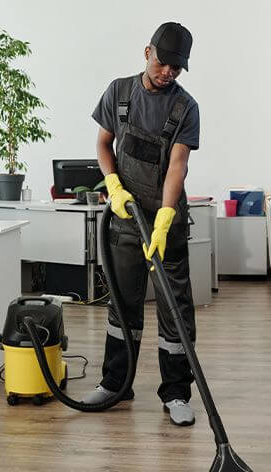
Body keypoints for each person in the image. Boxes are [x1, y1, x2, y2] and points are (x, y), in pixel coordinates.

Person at [82, 22, 200, 426]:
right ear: (148, 52)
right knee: (122, 305)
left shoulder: (185, 107)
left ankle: (176, 393)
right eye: (163, 62)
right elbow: (103, 144)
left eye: (176, 68)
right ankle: (115, 384)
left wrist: (165, 217)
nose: (168, 72)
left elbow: (177, 166)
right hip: (125, 219)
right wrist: (113, 186)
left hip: (166, 223)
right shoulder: (119, 92)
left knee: (175, 311)